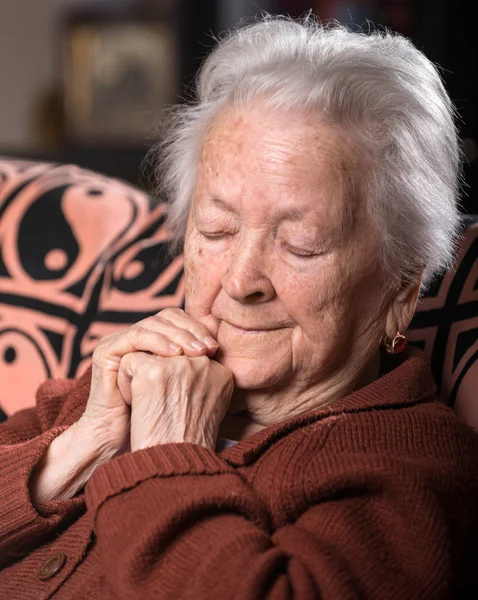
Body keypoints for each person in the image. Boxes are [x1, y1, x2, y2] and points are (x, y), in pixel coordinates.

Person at [1, 15, 477, 599]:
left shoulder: (405, 466)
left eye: (299, 246)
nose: (242, 280)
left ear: (402, 290)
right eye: (218, 230)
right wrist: (81, 447)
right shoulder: (133, 381)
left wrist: (167, 458)